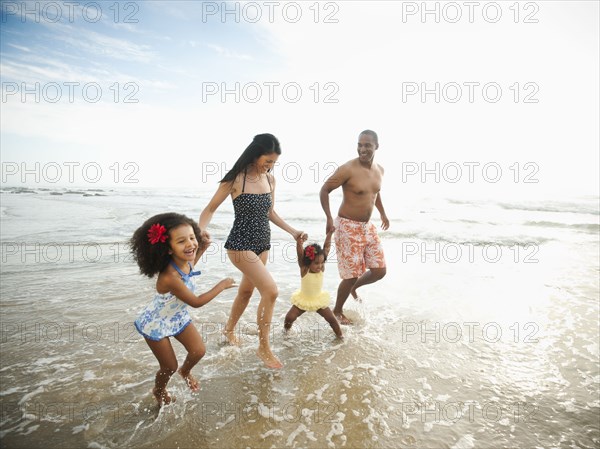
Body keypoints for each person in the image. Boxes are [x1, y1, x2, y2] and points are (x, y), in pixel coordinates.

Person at [199, 133, 307, 369]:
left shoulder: (270, 180)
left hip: (263, 243)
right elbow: (210, 209)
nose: (270, 166)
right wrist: (201, 230)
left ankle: (228, 331)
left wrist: (293, 232)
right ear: (255, 154)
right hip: (240, 244)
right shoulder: (236, 179)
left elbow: (270, 213)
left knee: (246, 292)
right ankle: (264, 348)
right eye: (267, 161)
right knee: (271, 291)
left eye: (273, 163)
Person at [130, 213, 235, 406]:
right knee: (169, 366)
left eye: (192, 238)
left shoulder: (184, 261)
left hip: (177, 316)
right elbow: (196, 302)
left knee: (198, 351)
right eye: (181, 241)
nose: (190, 244)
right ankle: (159, 391)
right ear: (168, 249)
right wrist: (222, 285)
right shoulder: (169, 277)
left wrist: (202, 246)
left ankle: (185, 371)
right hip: (155, 323)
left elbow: (191, 262)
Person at [319, 129, 389, 325]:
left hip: (367, 227)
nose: (362, 149)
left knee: (379, 270)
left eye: (367, 145)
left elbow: (375, 193)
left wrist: (382, 212)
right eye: (360, 144)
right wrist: (328, 218)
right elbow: (325, 189)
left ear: (377, 146)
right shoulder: (347, 169)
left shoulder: (380, 170)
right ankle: (337, 311)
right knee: (351, 275)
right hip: (346, 226)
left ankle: (352, 287)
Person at [284, 228, 343, 338]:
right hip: (303, 300)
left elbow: (326, 248)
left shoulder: (321, 268)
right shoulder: (304, 269)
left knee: (332, 320)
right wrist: (299, 243)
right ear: (308, 262)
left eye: (321, 263)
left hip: (318, 300)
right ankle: (286, 333)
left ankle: (340, 336)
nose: (320, 266)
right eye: (316, 263)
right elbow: (300, 254)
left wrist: (330, 234)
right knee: (289, 318)